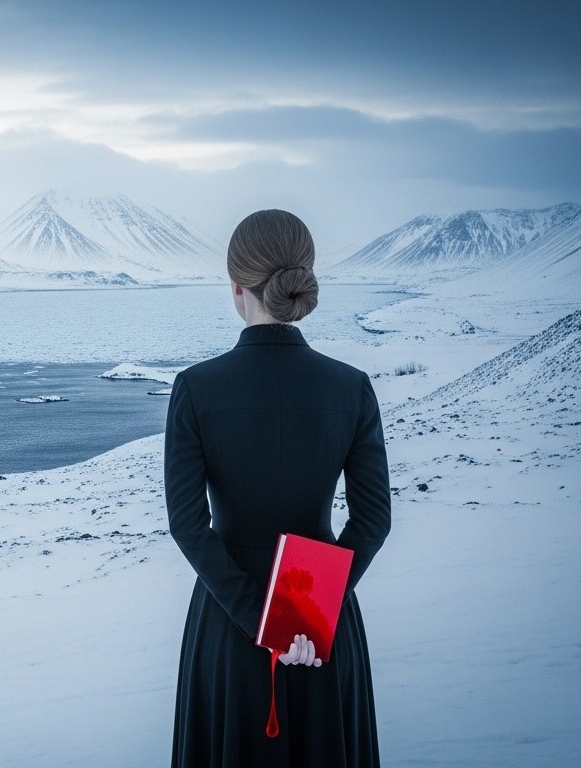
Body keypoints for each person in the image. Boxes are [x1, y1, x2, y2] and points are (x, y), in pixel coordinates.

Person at [165, 209, 391, 767]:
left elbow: (189, 525)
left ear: (237, 287)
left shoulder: (195, 388)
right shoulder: (352, 387)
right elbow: (373, 520)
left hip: (228, 622)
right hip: (323, 624)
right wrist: (307, 617)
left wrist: (259, 621)